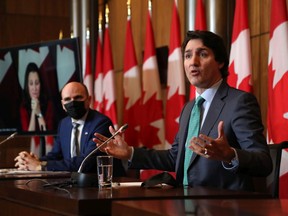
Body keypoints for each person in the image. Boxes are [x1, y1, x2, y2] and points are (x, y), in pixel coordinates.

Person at [93, 30, 273, 191]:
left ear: (220, 62)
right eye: (187, 56)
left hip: (223, 205)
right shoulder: (189, 108)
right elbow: (175, 158)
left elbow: (263, 162)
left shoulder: (239, 102)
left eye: (202, 54)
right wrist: (130, 152)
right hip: (184, 201)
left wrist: (230, 155)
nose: (193, 62)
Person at [15, 81, 126, 175]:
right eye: (67, 99)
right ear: (63, 105)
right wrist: (32, 160)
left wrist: (41, 166)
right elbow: (55, 155)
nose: (72, 103)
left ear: (89, 100)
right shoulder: (64, 124)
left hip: (102, 184)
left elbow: (85, 163)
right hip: (73, 183)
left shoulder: (101, 123)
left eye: (78, 97)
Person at [20, 62, 54, 132]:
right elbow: (28, 138)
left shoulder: (49, 105)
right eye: (31, 84)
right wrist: (33, 111)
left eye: (37, 83)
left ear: (40, 84)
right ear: (27, 86)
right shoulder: (23, 107)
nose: (34, 88)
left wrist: (38, 113)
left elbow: (48, 136)